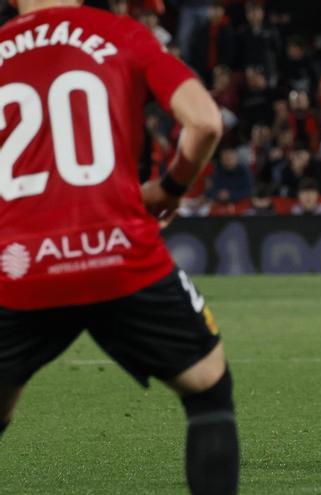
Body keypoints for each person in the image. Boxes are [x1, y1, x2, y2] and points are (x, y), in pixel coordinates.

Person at [0, 2, 239, 494]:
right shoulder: (119, 34)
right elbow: (205, 120)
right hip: (117, 253)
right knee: (207, 387)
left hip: (18, 267)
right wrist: (170, 189)